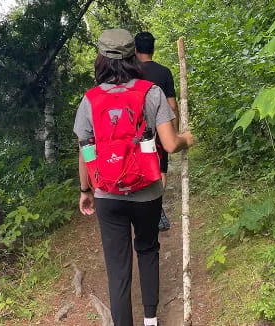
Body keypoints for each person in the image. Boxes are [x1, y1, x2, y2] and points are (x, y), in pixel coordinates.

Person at [73, 29, 193, 326]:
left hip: (107, 194)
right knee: (148, 248)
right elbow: (169, 144)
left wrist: (85, 189)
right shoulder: (151, 92)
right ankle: (151, 321)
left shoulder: (90, 100)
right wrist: (186, 139)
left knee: (117, 264)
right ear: (133, 56)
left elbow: (86, 150)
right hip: (147, 191)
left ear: (100, 59)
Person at [134, 32, 178, 232]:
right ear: (153, 49)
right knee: (160, 169)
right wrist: (174, 131)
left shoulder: (130, 72)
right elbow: (172, 105)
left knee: (138, 166)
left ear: (135, 50)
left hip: (135, 128)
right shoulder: (164, 72)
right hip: (160, 128)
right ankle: (157, 209)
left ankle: (140, 209)